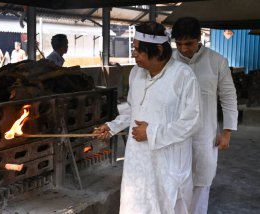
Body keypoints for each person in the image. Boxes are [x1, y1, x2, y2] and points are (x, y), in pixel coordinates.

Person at [93, 21, 201, 213]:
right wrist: (112, 126)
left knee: (166, 205)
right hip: (138, 159)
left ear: (158, 50)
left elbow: (192, 122)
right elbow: (133, 109)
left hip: (168, 161)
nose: (133, 54)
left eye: (137, 50)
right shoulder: (136, 73)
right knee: (137, 204)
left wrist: (152, 132)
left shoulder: (183, 76)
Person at [171, 17, 238, 214]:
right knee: (174, 182)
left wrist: (227, 132)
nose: (183, 49)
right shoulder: (169, 61)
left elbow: (228, 97)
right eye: (179, 44)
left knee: (201, 182)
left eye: (188, 43)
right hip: (173, 135)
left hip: (204, 135)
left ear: (199, 38)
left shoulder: (217, 61)